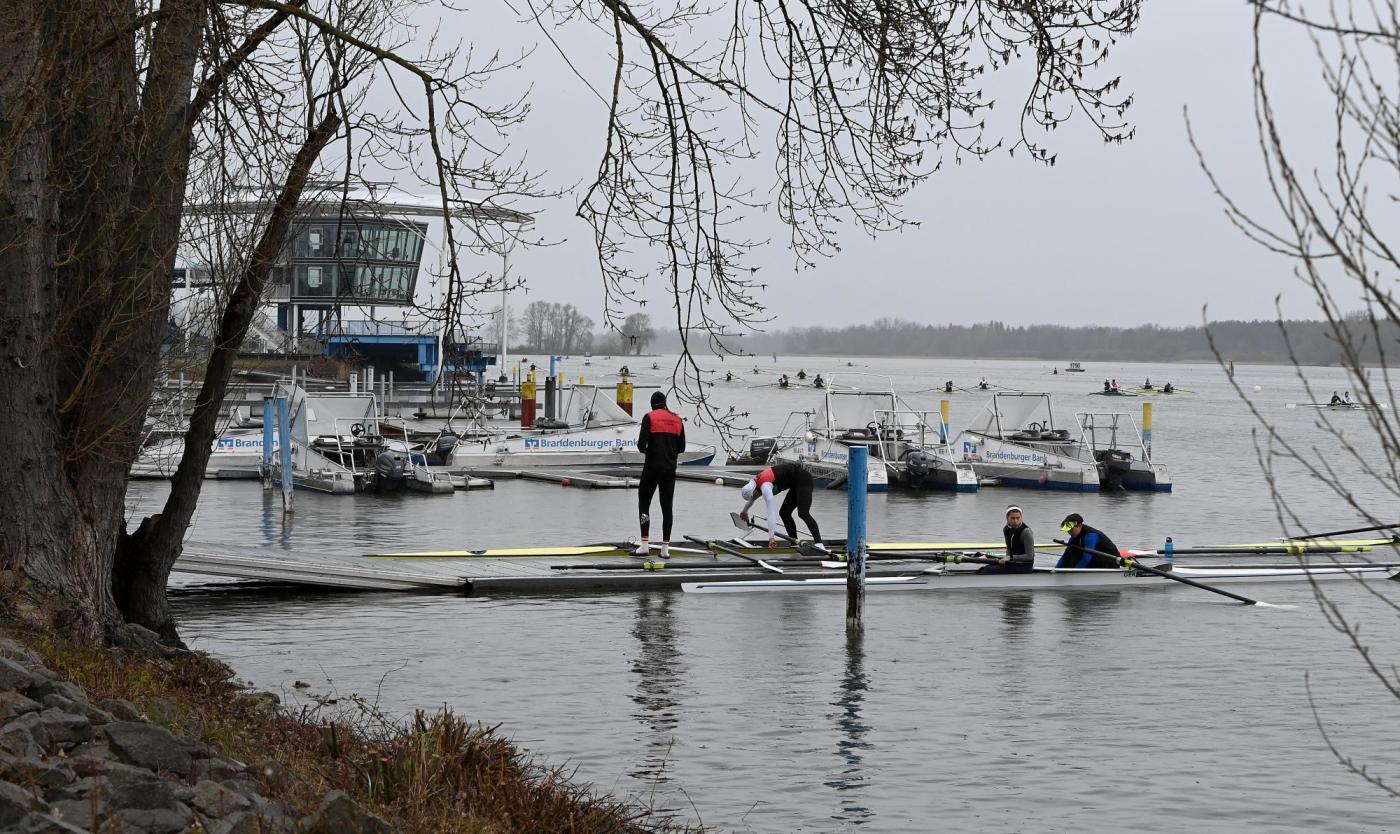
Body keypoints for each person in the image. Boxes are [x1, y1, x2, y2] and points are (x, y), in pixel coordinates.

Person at [634, 391, 686, 557]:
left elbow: (641, 444)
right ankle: (665, 549)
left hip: (652, 467)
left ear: (652, 404)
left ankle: (644, 545)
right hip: (669, 470)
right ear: (665, 403)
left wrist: (649, 451)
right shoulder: (678, 420)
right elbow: (682, 448)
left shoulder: (649, 417)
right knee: (667, 507)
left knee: (644, 504)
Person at [739, 462, 824, 550]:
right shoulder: (753, 484)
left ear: (754, 491)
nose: (754, 498)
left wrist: (771, 537)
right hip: (794, 484)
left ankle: (819, 544)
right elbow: (752, 499)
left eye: (754, 496)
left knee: (803, 513)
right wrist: (744, 511)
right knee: (784, 513)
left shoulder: (765, 487)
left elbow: (771, 513)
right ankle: (794, 543)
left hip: (804, 481)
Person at [978, 506, 1036, 574]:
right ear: (1007, 518)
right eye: (1012, 518)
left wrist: (1010, 557)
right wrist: (1005, 560)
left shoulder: (1026, 532)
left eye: (1018, 518)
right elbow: (1009, 549)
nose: (1015, 521)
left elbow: (1029, 556)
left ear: (1021, 517)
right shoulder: (1006, 529)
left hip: (1024, 566)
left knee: (986, 570)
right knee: (982, 569)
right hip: (1012, 562)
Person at [1055, 513, 1122, 569]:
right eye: (1067, 530)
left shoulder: (1090, 536)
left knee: (1081, 556)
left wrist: (1074, 573)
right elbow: (1065, 557)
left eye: (1071, 530)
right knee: (1071, 553)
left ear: (1079, 526)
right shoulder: (1074, 537)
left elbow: (1086, 559)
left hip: (1112, 562)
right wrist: (1056, 569)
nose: (1069, 532)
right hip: (1097, 559)